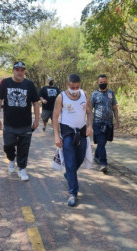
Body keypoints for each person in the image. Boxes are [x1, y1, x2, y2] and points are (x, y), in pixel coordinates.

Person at [0, 61, 40, 181]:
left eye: (22, 70)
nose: (20, 72)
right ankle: (11, 158)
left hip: (25, 124)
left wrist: (37, 120)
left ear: (24, 71)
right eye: (17, 70)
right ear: (13, 71)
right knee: (8, 146)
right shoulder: (5, 83)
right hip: (9, 123)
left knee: (24, 147)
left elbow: (35, 103)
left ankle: (22, 169)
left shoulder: (29, 84)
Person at [53, 74, 93, 207]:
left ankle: (69, 175)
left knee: (79, 158)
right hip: (68, 132)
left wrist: (90, 125)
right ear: (67, 85)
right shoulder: (61, 97)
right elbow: (55, 116)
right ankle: (73, 193)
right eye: (72, 87)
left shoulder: (84, 94)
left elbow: (89, 112)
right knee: (70, 163)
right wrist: (56, 135)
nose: (75, 89)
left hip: (81, 132)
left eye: (77, 87)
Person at [91, 74, 119, 173]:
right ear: (98, 83)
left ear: (107, 82)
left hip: (108, 122)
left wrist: (116, 120)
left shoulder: (111, 93)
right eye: (101, 82)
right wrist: (89, 124)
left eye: (104, 82)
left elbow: (115, 107)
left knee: (103, 142)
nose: (103, 83)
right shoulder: (94, 94)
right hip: (98, 122)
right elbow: (90, 109)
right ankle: (103, 163)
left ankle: (96, 155)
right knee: (101, 143)